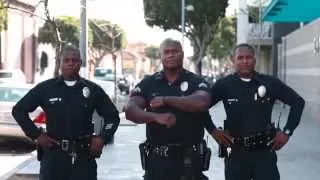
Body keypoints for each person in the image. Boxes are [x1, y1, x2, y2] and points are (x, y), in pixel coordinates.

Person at [12, 45, 120, 180]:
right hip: (53, 157)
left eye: (74, 60)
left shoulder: (92, 90)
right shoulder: (46, 88)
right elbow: (18, 110)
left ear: (80, 63)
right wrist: (37, 136)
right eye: (66, 60)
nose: (70, 63)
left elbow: (113, 117)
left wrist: (102, 138)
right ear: (60, 62)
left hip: (83, 158)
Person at [210, 43, 305, 180]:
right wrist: (213, 131)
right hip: (235, 153)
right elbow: (201, 107)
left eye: (248, 57)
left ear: (255, 59)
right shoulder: (224, 85)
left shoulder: (269, 83)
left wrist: (287, 132)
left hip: (264, 153)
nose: (244, 61)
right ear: (233, 60)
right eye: (240, 57)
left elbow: (298, 102)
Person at [124, 38, 212, 180]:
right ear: (161, 56)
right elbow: (130, 110)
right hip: (158, 162)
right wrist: (155, 117)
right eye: (166, 52)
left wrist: (166, 100)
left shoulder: (195, 81)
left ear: (182, 54)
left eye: (174, 51)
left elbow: (202, 102)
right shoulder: (149, 83)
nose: (170, 55)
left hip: (189, 162)